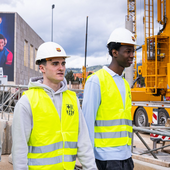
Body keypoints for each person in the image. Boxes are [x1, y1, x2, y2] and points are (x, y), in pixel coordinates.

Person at [12, 42, 97, 170]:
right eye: (55, 63)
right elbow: (19, 150)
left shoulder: (72, 98)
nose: (61, 68)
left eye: (63, 63)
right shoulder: (27, 101)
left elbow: (83, 141)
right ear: (42, 68)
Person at [82, 28, 136, 170]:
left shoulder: (124, 83)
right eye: (128, 51)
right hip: (105, 160)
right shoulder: (96, 81)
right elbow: (87, 123)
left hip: (126, 158)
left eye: (133, 51)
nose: (132, 55)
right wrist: (88, 162)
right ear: (114, 52)